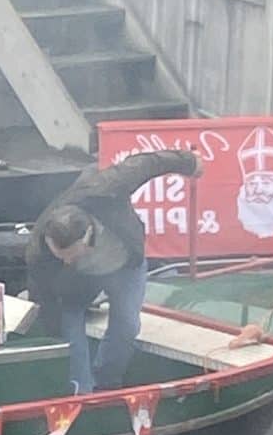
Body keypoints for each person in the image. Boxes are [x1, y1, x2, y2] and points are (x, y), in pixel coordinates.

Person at [27, 148, 203, 397]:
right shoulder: (38, 251)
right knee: (70, 327)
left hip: (125, 263)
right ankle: (81, 394)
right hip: (78, 280)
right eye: (60, 256)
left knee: (127, 327)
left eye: (71, 255)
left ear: (87, 235)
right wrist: (57, 338)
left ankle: (106, 384)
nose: (66, 260)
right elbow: (45, 299)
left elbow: (145, 164)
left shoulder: (105, 188)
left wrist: (188, 162)